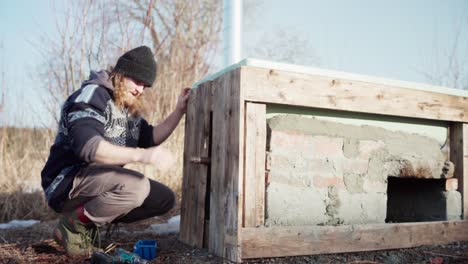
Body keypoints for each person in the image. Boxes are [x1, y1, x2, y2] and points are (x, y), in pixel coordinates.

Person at [41, 46, 190, 256]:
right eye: (137, 81)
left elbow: (152, 136)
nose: (140, 89)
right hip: (65, 182)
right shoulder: (91, 95)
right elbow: (89, 148)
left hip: (96, 182)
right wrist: (143, 156)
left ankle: (90, 223)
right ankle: (73, 226)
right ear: (121, 73)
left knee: (163, 198)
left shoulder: (124, 108)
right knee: (136, 187)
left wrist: (179, 111)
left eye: (145, 85)